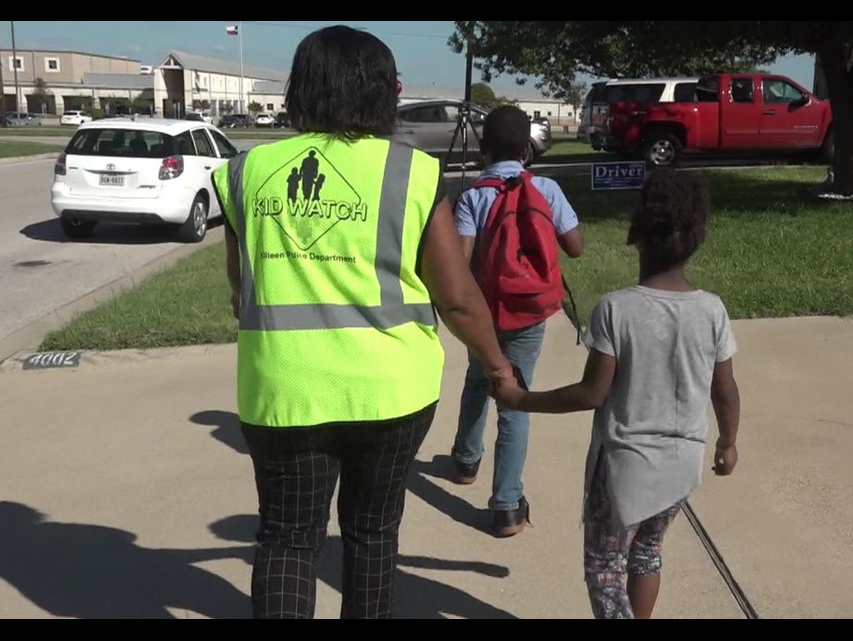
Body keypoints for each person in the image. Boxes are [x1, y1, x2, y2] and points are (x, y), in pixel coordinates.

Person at [210, 25, 520, 620]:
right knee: (372, 535)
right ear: (383, 92)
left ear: (301, 90)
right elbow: (457, 298)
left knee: (287, 540)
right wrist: (499, 368)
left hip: (285, 390)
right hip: (391, 392)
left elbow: (239, 288)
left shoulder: (247, 172)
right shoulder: (413, 173)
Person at [490, 168, 742, 619]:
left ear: (635, 236)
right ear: (697, 239)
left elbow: (591, 393)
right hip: (682, 465)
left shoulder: (617, 309)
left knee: (606, 566)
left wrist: (520, 399)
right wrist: (727, 442)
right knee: (647, 552)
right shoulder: (712, 310)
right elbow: (724, 390)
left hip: (624, 468)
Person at [449, 105, 584, 537]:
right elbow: (576, 247)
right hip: (529, 313)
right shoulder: (545, 188)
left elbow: (462, 260)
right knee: (516, 397)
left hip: (485, 313)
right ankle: (507, 505)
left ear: (484, 149)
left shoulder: (473, 196)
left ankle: (467, 461)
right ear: (527, 148)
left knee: (477, 378)